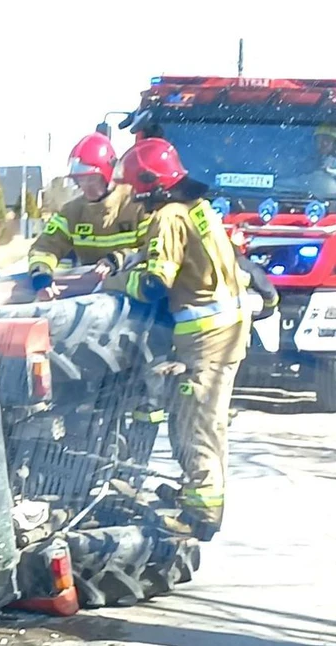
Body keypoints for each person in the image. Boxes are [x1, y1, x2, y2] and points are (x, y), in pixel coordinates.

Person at [102, 138, 276, 541]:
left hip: (205, 339)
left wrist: (112, 281)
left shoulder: (169, 216)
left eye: (137, 187)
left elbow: (154, 283)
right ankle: (195, 493)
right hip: (227, 331)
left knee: (196, 421)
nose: (135, 195)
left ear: (150, 183)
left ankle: (200, 513)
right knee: (199, 417)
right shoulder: (200, 210)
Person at [29, 132, 150, 300]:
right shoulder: (72, 212)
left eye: (91, 180)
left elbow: (152, 249)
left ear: (110, 174)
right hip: (89, 298)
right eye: (79, 181)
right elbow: (44, 247)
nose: (85, 188)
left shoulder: (138, 204)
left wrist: (116, 260)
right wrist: (41, 275)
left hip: (136, 301)